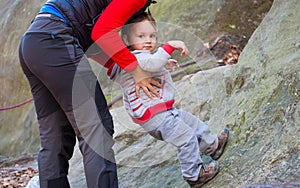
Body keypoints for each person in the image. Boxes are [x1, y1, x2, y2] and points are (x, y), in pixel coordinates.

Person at [18, 0, 160, 187]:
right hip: (56, 39)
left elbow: (91, 34)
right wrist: (136, 71)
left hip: (34, 42)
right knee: (96, 129)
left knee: (56, 137)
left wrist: (121, 68)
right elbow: (102, 32)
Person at [109, 12, 229, 187]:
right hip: (157, 117)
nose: (148, 40)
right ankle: (194, 175)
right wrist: (169, 46)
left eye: (152, 35)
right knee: (186, 138)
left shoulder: (142, 57)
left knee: (192, 123)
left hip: (164, 113)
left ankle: (213, 145)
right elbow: (151, 64)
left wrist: (165, 64)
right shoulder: (135, 57)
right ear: (127, 39)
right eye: (141, 36)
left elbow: (153, 65)